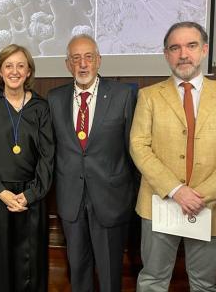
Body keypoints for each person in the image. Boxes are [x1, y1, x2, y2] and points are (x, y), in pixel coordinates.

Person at [130, 21, 216, 291]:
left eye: (191, 45)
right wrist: (176, 190)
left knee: (204, 285)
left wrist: (199, 195)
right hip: (159, 203)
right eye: (175, 47)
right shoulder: (148, 97)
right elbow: (138, 145)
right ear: (166, 54)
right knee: (152, 281)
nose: (183, 54)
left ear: (204, 50)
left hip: (211, 206)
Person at [47, 34, 137, 292]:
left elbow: (133, 151)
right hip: (71, 200)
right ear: (67, 64)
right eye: (76, 58)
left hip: (110, 199)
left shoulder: (122, 95)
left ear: (99, 61)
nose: (82, 64)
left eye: (88, 57)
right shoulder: (54, 98)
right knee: (77, 268)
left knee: (110, 273)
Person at [0, 44, 54, 292]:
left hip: (31, 196)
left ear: (29, 71)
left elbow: (47, 155)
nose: (14, 71)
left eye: (21, 65)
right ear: (0, 71)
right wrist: (0, 191)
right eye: (8, 65)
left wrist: (30, 194)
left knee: (30, 265)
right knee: (0, 263)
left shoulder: (41, 107)